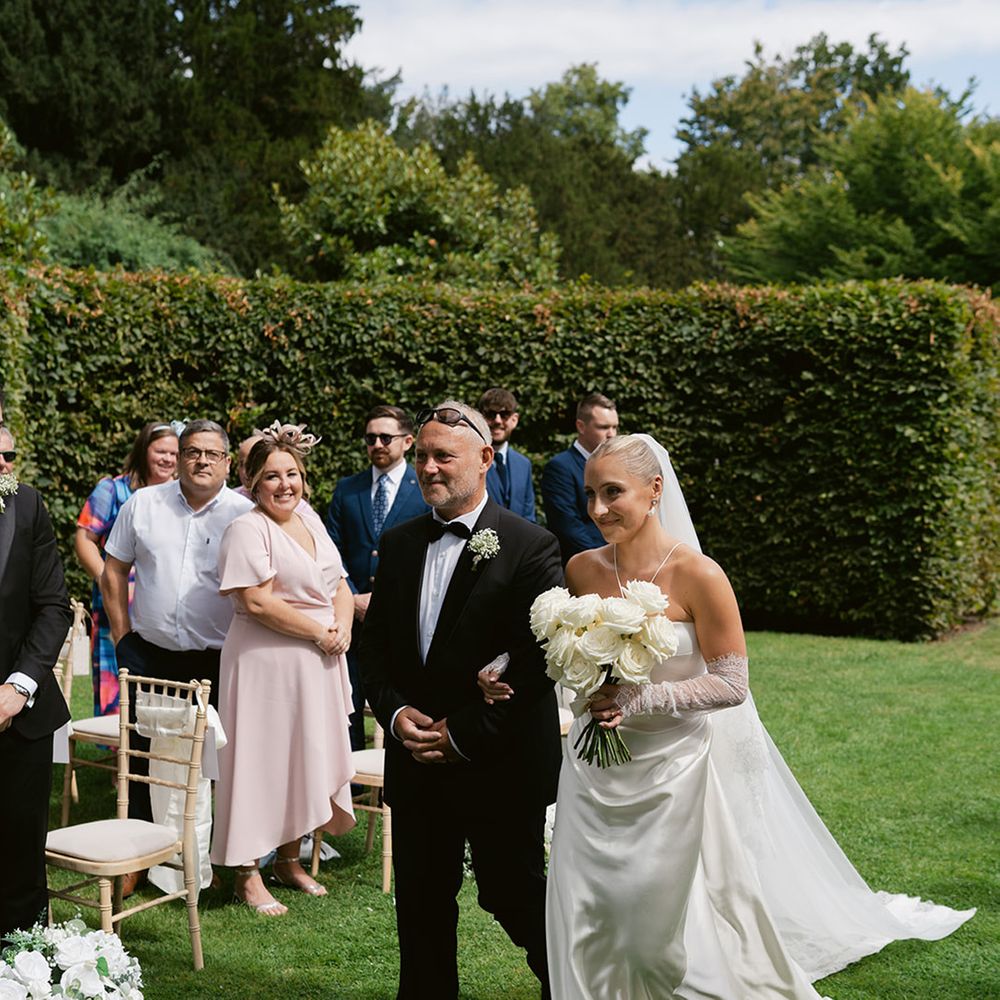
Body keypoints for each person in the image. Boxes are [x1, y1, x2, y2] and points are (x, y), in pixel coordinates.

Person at [485, 434, 975, 998]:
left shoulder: (700, 575)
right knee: (587, 903)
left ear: (655, 490)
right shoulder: (580, 569)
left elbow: (732, 684)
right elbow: (552, 646)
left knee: (654, 915)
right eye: (590, 494)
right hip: (592, 769)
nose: (597, 509)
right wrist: (505, 665)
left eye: (612, 492)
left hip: (672, 769)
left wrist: (640, 700)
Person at [361, 401, 563, 1000]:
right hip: (416, 765)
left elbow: (535, 666)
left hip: (499, 765)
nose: (428, 468)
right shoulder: (398, 543)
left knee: (513, 893)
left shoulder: (531, 546)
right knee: (420, 902)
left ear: (484, 458)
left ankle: (573, 987)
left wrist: (461, 734)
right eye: (422, 455)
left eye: (443, 456)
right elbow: (374, 653)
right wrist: (396, 714)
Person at [102, 418, 252, 894]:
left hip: (218, 659)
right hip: (150, 654)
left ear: (227, 461)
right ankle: (136, 859)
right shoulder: (144, 504)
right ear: (180, 456)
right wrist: (122, 637)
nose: (201, 460)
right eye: (192, 451)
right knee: (142, 758)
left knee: (219, 762)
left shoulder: (245, 513)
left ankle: (218, 859)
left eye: (212, 453)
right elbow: (113, 570)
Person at [211, 424, 355, 916]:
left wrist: (342, 625)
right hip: (263, 665)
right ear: (253, 483)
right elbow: (256, 602)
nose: (284, 484)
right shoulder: (246, 529)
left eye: (292, 474)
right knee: (258, 762)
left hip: (316, 662)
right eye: (272, 476)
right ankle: (246, 872)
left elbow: (339, 582)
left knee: (302, 755)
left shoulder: (309, 518)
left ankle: (289, 860)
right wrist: (319, 632)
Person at [0, 432, 73, 939]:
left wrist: (18, 688)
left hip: (21, 714)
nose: (4, 463)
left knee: (19, 850)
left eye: (8, 454)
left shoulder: (27, 505)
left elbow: (52, 606)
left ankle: (18, 960)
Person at [324, 405, 428, 752]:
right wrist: (351, 598)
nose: (378, 444)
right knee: (347, 707)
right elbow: (330, 550)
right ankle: (349, 777)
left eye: (386, 437)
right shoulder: (347, 489)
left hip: (404, 618)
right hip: (350, 619)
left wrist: (384, 602)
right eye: (371, 438)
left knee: (403, 706)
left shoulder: (424, 488)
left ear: (408, 441)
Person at [75, 422, 179, 716]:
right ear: (143, 450)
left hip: (163, 610)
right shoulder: (113, 490)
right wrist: (105, 578)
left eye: (174, 453)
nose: (168, 459)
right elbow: (84, 538)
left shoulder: (181, 497)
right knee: (117, 687)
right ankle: (116, 742)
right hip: (118, 605)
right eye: (161, 451)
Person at [540, 392, 618, 563]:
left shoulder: (618, 466)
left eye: (614, 427)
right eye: (603, 427)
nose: (612, 434)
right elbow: (568, 528)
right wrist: (606, 561)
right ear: (581, 427)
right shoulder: (560, 467)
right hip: (585, 563)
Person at [478, 387, 537, 521]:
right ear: (480, 418)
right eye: (491, 414)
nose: (498, 420)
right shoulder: (470, 461)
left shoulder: (523, 464)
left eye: (504, 415)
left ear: (514, 419)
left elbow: (529, 518)